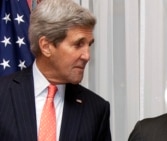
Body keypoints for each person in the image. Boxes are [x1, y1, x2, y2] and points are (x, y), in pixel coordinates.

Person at [0, 0, 111, 141]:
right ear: (46, 46)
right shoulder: (3, 95)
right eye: (78, 44)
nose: (87, 56)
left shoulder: (96, 109)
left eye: (89, 45)